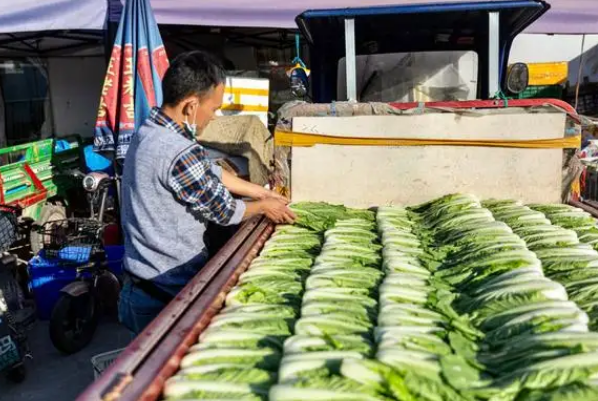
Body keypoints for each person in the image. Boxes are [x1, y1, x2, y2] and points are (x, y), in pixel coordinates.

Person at [118, 50, 296, 335]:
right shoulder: (176, 149)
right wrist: (263, 208)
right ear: (190, 105)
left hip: (139, 283)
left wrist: (261, 193)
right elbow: (226, 211)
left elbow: (207, 169)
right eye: (213, 109)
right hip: (164, 293)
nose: (214, 118)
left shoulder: (151, 130)